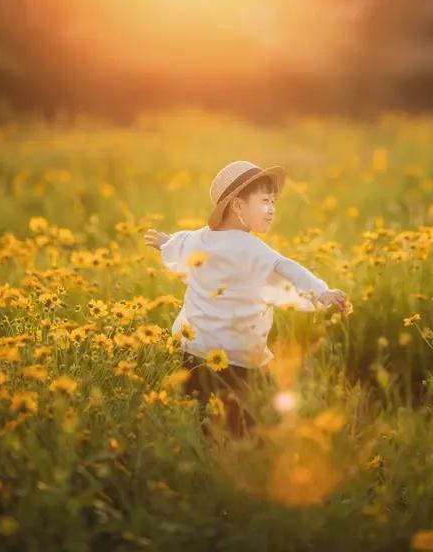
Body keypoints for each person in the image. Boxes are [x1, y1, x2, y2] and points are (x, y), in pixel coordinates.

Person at [144, 160, 350, 439]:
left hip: (192, 353)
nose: (272, 209)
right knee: (241, 429)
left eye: (274, 201)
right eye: (265, 201)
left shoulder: (199, 240)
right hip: (237, 363)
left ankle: (200, 466)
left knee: (199, 422)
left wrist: (165, 243)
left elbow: (178, 246)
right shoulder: (256, 251)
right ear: (238, 206)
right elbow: (289, 271)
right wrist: (321, 293)